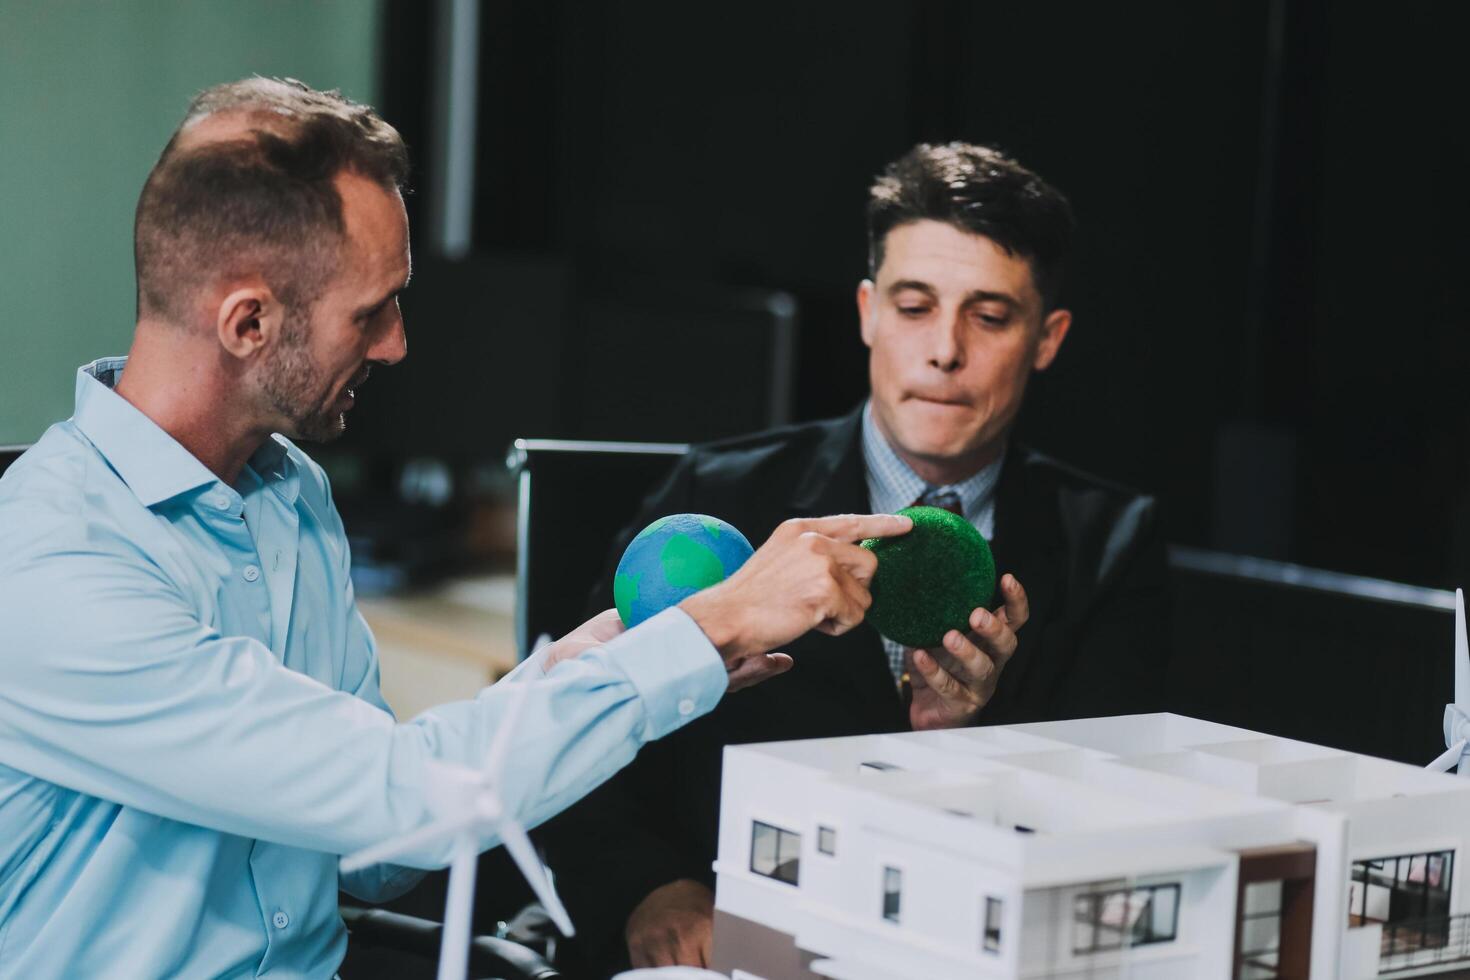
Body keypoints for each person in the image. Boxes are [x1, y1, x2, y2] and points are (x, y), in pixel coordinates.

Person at [0, 78, 920, 979]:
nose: (397, 343)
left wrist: (584, 668)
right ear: (248, 323)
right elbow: (393, 799)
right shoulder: (52, 567)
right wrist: (710, 626)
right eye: (371, 311)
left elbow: (373, 852)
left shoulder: (291, 495)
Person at [539, 142, 1169, 975]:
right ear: (869, 312)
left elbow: (1112, 824)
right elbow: (572, 732)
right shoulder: (716, 498)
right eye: (914, 307)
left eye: (988, 317)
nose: (944, 351)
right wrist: (648, 890)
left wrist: (961, 745)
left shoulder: (1113, 542)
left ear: (1046, 338)